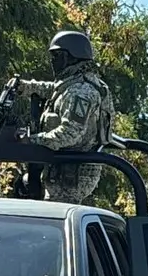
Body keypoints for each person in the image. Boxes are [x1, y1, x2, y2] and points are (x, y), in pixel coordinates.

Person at [14, 30, 115, 204]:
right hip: (62, 168)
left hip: (71, 176)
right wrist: (25, 87)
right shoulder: (77, 82)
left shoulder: (82, 92)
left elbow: (70, 133)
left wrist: (31, 141)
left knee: (52, 223)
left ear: (72, 57)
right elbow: (55, 90)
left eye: (57, 56)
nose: (53, 62)